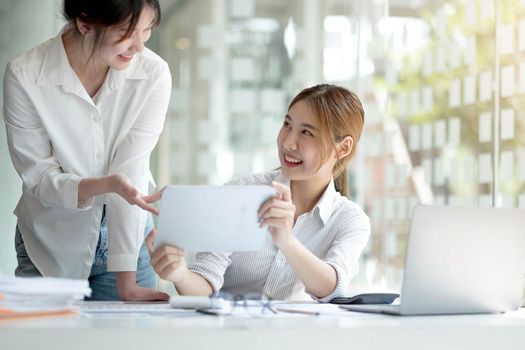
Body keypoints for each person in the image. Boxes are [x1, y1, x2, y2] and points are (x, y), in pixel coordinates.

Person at [3, 0, 170, 301]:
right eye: (127, 32)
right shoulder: (25, 75)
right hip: (49, 241)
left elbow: (131, 168)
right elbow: (39, 178)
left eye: (145, 31)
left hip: (128, 239)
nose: (138, 47)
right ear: (85, 22)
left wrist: (126, 282)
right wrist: (105, 185)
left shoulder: (153, 74)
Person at [147, 84, 371, 301]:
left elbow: (332, 288)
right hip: (228, 334)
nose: (288, 142)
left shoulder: (349, 220)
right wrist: (180, 274)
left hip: (296, 337)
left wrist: (286, 240)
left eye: (306, 132)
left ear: (343, 148)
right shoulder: (241, 192)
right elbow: (205, 283)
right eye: (287, 124)